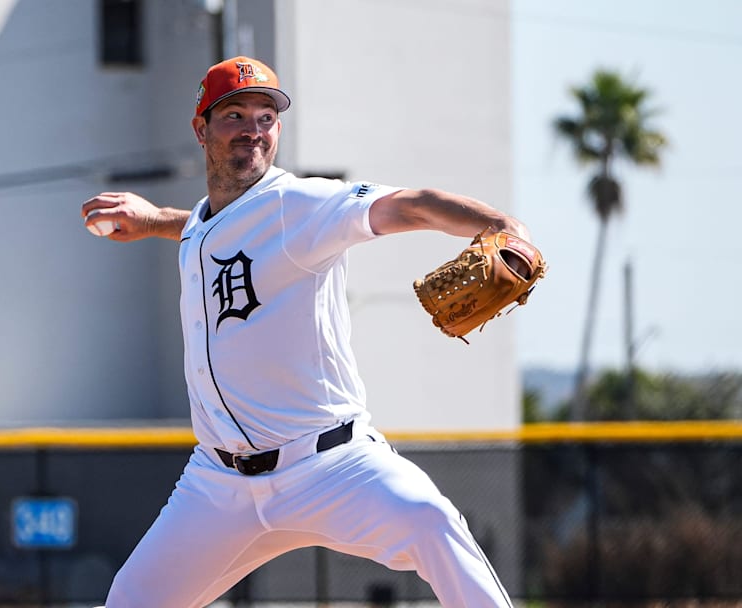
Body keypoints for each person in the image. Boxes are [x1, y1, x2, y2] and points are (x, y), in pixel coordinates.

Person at [81, 56, 522, 608]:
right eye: (235, 116)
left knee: (432, 523)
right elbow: (210, 227)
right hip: (219, 487)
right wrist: (154, 222)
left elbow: (410, 205)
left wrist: (501, 227)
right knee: (130, 601)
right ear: (201, 130)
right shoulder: (203, 223)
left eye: (265, 116)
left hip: (330, 466)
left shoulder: (301, 205)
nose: (252, 130)